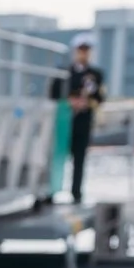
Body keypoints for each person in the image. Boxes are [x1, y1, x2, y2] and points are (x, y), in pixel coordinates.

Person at [49, 34, 105, 204]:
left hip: (83, 121)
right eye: (81, 50)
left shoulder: (96, 74)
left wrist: (86, 103)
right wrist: (69, 103)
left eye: (86, 50)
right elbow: (53, 95)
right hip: (64, 122)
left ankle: (76, 193)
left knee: (79, 159)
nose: (83, 53)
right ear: (75, 51)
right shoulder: (63, 72)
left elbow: (100, 97)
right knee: (58, 157)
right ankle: (51, 190)